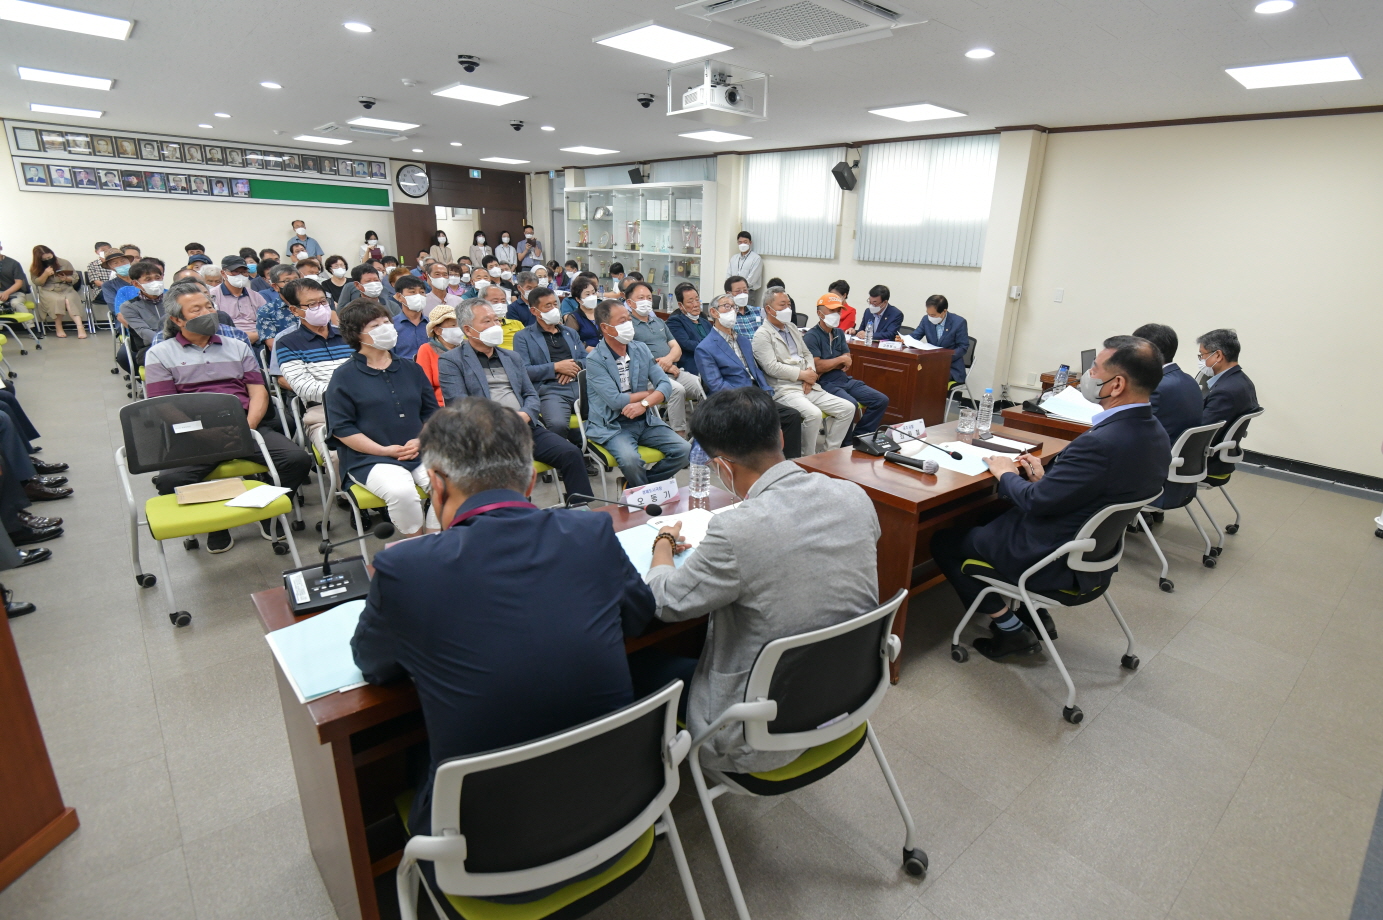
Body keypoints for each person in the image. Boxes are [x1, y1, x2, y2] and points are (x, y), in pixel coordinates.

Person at [350, 397, 655, 838]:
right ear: (530, 481)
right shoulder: (590, 532)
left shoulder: (406, 569)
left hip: (483, 853)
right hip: (622, 814)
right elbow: (639, 617)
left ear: (435, 484)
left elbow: (374, 665)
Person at [641, 386, 880, 774]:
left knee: (641, 665)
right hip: (848, 697)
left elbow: (665, 602)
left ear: (723, 467)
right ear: (781, 437)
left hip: (755, 734)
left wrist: (664, 544)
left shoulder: (735, 530)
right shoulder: (854, 496)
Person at [930, 336, 1171, 659]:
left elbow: (1035, 502)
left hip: (1051, 556)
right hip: (1093, 553)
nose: (1088, 376)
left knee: (944, 540)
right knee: (988, 516)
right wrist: (1049, 480)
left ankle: (1011, 630)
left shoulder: (1100, 442)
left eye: (1095, 369)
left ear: (1117, 385)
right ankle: (1033, 612)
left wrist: (1006, 473)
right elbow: (1100, 488)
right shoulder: (1156, 433)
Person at [144, 281, 313, 554]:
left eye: (209, 306)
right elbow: (164, 406)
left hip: (243, 423)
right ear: (177, 320)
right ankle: (216, 523)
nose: (208, 313)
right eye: (196, 310)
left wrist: (248, 426)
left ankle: (264, 510)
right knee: (170, 481)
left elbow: (258, 391)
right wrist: (205, 433)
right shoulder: (160, 353)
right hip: (193, 431)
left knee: (296, 460)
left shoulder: (237, 346)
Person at [437, 298, 595, 500]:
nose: (495, 326)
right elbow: (459, 404)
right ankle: (518, 512)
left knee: (571, 454)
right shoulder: (451, 361)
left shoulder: (511, 357)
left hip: (524, 427)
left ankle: (580, 508)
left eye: (496, 320)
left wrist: (526, 414)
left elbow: (530, 394)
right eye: (487, 321)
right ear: (468, 330)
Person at [325, 301, 440, 536]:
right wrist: (384, 451)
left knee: (451, 481)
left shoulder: (411, 368)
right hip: (369, 458)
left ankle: (434, 539)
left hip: (419, 448)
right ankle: (415, 543)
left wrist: (421, 440)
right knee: (402, 492)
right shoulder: (344, 376)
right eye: (375, 325)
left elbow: (431, 413)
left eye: (386, 322)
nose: (385, 328)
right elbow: (342, 428)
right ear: (356, 334)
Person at [584, 301, 691, 488]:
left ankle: (637, 487)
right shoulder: (595, 359)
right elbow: (616, 401)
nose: (629, 324)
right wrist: (650, 393)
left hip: (644, 420)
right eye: (622, 321)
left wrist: (644, 404)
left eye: (629, 319)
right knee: (631, 461)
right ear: (605, 328)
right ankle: (643, 492)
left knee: (685, 450)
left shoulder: (640, 349)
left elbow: (665, 384)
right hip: (613, 425)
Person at [695, 294, 804, 459]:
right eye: (726, 306)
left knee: (792, 416)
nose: (732, 311)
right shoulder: (705, 348)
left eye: (734, 307)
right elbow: (716, 385)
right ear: (714, 312)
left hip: (756, 395)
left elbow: (755, 371)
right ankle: (760, 463)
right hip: (732, 399)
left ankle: (790, 463)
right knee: (759, 420)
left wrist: (766, 390)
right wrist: (744, 398)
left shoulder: (744, 340)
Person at [753, 287, 854, 454]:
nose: (787, 309)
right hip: (785, 388)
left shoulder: (792, 327)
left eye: (789, 305)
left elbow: (807, 354)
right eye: (782, 305)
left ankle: (829, 453)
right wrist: (802, 375)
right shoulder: (762, 335)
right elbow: (771, 367)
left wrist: (810, 374)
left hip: (808, 384)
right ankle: (808, 457)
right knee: (814, 415)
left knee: (847, 408)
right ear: (768, 309)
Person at [1131, 323, 1203, 511]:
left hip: (1155, 477)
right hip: (1179, 475)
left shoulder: (1157, 387)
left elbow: (1132, 432)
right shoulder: (1188, 380)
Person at [624, 281, 704, 438]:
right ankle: (679, 436)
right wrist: (663, 366)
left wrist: (668, 361)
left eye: (649, 297)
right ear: (630, 302)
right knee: (676, 390)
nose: (646, 301)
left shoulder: (659, 322)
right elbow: (633, 356)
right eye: (641, 298)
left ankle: (703, 432)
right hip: (648, 376)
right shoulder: (627, 325)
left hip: (673, 370)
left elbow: (676, 349)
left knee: (702, 386)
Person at [804, 293, 888, 441]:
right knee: (851, 404)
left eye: (838, 311)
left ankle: (859, 438)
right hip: (824, 382)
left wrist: (834, 362)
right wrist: (839, 360)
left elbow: (848, 360)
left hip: (843, 379)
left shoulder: (839, 333)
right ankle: (845, 444)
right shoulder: (811, 336)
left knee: (881, 400)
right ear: (820, 313)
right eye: (832, 311)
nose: (836, 314)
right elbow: (818, 366)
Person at [275, 278, 353, 439]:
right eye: (312, 304)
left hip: (367, 403)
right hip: (323, 411)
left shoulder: (348, 335)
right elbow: (304, 387)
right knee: (342, 449)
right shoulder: (287, 343)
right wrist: (349, 393)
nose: (321, 307)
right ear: (295, 310)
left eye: (323, 302)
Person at [513, 286, 585, 446]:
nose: (554, 309)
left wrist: (574, 366)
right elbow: (523, 371)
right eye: (548, 306)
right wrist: (556, 367)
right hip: (550, 389)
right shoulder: (523, 337)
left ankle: (583, 448)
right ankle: (563, 455)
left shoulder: (570, 333)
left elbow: (588, 360)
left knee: (608, 416)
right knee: (557, 425)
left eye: (555, 304)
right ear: (534, 311)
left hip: (579, 386)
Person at [1197, 328, 1259, 480]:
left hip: (1204, 465)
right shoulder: (1242, 381)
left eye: (1202, 355)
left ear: (1218, 355)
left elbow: (1199, 434)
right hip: (1218, 459)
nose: (1201, 360)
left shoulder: (1225, 392)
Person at [29, 246, 85, 338]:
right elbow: (37, 282)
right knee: (57, 300)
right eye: (44, 259)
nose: (48, 260)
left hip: (66, 288)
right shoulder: (35, 267)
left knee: (70, 300)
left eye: (49, 257)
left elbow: (75, 278)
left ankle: (80, 327)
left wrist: (66, 278)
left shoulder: (64, 262)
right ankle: (58, 326)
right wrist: (45, 274)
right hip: (48, 290)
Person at [915, 294, 970, 387]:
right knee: (913, 373)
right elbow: (915, 335)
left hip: (950, 367)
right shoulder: (926, 320)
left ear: (944, 311)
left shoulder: (959, 322)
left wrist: (943, 358)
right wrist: (904, 339)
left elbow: (963, 347)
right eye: (928, 314)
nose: (930, 317)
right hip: (930, 364)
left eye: (933, 315)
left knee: (930, 377)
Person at [120, 260, 167, 365]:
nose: (155, 282)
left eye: (157, 278)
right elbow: (144, 331)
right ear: (136, 284)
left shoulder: (174, 299)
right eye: (148, 279)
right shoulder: (129, 306)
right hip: (149, 347)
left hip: (178, 342)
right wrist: (169, 344)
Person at [414, 304, 462, 407]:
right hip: (441, 407)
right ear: (438, 330)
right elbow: (424, 387)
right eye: (453, 325)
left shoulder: (466, 347)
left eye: (459, 325)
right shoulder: (426, 349)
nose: (458, 329)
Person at [210, 256, 264, 343]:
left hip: (258, 338)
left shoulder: (255, 296)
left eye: (244, 272)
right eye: (235, 272)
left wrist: (258, 335)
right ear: (223, 273)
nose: (240, 275)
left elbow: (267, 319)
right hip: (229, 339)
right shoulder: (213, 296)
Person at [665, 283, 715, 377]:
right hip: (694, 364)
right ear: (681, 305)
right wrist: (711, 347)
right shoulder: (675, 321)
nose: (696, 304)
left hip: (713, 361)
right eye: (690, 302)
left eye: (697, 300)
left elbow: (716, 339)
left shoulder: (705, 322)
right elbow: (686, 343)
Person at [256, 264, 302, 347]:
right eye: (287, 281)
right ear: (275, 286)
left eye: (296, 279)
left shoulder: (311, 305)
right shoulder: (266, 311)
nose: (294, 284)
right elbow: (272, 345)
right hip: (287, 352)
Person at [390, 277, 431, 360]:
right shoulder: (391, 326)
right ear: (399, 296)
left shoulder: (432, 325)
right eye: (412, 292)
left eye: (422, 292)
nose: (418, 296)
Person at [725, 231, 763, 307]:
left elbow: (752, 279)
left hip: (747, 293)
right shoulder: (734, 258)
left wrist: (740, 288)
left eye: (745, 242)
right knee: (733, 312)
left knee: (746, 312)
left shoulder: (756, 258)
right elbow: (728, 274)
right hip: (733, 293)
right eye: (740, 242)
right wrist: (731, 288)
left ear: (750, 243)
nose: (742, 244)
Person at [564, 280, 602, 352]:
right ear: (578, 299)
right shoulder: (574, 317)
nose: (592, 297)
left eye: (593, 293)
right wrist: (594, 351)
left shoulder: (603, 312)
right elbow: (572, 341)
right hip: (588, 354)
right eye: (587, 294)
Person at [0, 242, 31, 313]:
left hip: (16, 293)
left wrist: (6, 293)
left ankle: (28, 320)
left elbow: (19, 283)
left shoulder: (13, 263)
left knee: (15, 303)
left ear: (1, 248)